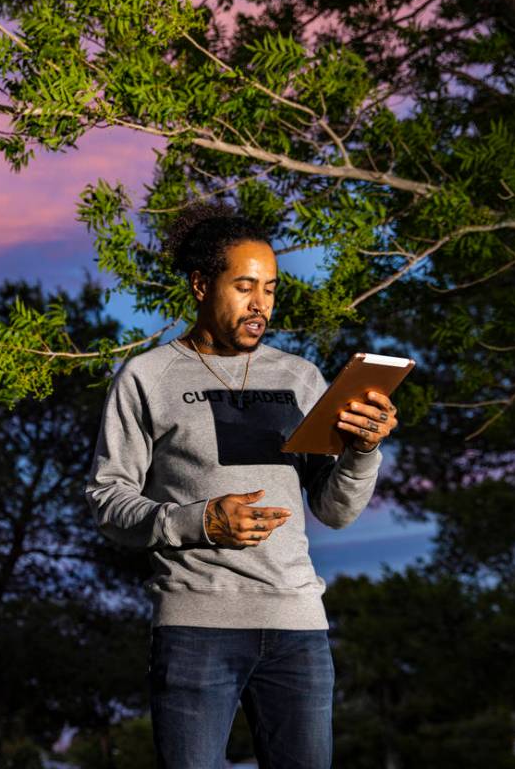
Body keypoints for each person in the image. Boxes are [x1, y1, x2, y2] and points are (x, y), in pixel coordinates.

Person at [84, 202, 399, 769]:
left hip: (298, 628)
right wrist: (199, 520)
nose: (261, 305)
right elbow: (108, 503)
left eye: (271, 290)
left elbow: (334, 509)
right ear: (202, 284)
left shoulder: (300, 378)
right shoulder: (146, 377)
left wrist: (363, 450)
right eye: (245, 287)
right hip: (196, 627)